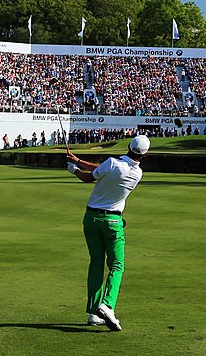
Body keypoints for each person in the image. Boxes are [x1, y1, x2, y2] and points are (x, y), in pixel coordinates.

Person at [65, 135, 149, 331]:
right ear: (145, 155)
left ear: (129, 146)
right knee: (117, 265)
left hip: (91, 219)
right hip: (113, 222)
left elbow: (90, 175)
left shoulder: (111, 163)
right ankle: (108, 305)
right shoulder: (137, 174)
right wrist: (77, 160)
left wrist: (74, 169)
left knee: (96, 263)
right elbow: (100, 169)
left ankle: (94, 312)